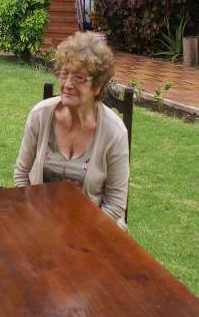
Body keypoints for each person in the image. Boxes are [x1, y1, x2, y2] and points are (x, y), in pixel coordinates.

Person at [14, 32, 129, 228]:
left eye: (79, 78)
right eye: (64, 74)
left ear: (97, 86)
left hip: (95, 228)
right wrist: (35, 218)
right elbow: (21, 174)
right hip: (40, 222)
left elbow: (115, 205)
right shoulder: (40, 115)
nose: (68, 84)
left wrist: (77, 234)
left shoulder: (114, 132)